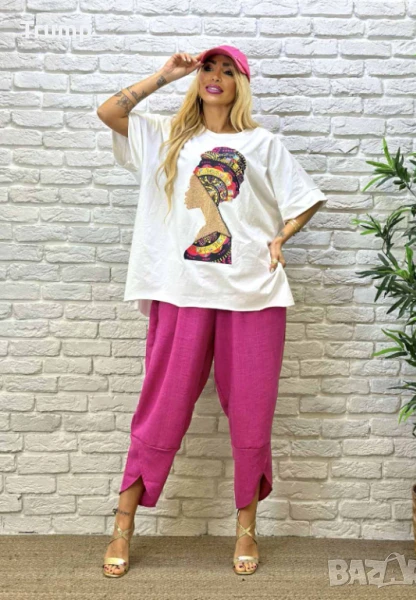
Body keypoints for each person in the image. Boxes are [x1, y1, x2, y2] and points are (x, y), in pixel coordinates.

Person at [97, 45, 327, 578]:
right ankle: (123, 525)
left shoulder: (262, 143)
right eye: (208, 67)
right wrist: (165, 74)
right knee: (161, 407)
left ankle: (246, 528)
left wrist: (281, 237)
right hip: (179, 292)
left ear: (241, 83)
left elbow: (307, 198)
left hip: (252, 295)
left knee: (251, 411)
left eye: (227, 70)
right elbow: (109, 112)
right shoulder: (167, 136)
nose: (215, 76)